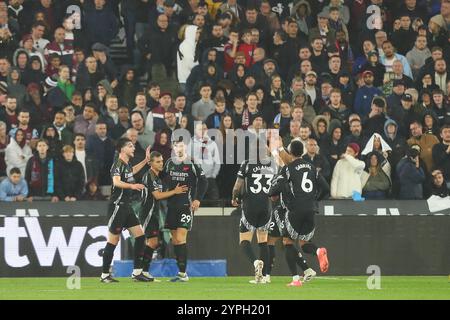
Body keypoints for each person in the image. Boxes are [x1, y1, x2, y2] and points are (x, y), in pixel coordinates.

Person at [268, 140, 329, 286]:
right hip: (311, 209)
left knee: (287, 242)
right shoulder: (312, 168)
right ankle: (318, 251)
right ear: (302, 152)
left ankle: (296, 279)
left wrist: (271, 191)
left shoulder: (288, 168)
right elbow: (326, 188)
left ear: (290, 152)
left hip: (295, 209)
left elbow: (275, 190)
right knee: (304, 243)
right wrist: (314, 200)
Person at [100, 138, 151, 283]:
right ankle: (104, 275)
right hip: (117, 206)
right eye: (130, 146)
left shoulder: (127, 165)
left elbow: (131, 172)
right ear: (122, 149)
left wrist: (145, 161)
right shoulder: (117, 164)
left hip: (126, 207)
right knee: (113, 241)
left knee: (140, 237)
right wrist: (132, 186)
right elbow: (116, 181)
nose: (133, 148)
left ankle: (136, 273)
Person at [162, 137, 208, 282]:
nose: (178, 148)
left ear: (185, 147)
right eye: (176, 146)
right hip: (171, 206)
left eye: (181, 145)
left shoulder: (192, 163)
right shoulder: (169, 163)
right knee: (175, 240)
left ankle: (183, 274)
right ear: (173, 148)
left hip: (185, 206)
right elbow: (162, 178)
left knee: (181, 238)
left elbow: (204, 181)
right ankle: (181, 273)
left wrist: (197, 199)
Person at [140, 151, 189, 281]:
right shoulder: (149, 176)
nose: (161, 163)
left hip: (154, 212)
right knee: (152, 242)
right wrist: (175, 191)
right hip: (147, 213)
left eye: (162, 161)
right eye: (158, 161)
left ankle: (142, 271)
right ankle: (142, 271)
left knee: (154, 242)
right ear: (150, 163)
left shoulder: (157, 176)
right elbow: (157, 196)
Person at [232, 148, 276, 284]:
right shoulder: (272, 165)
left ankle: (256, 263)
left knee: (244, 240)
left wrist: (234, 198)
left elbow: (237, 186)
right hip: (266, 206)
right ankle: (263, 276)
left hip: (250, 205)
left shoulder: (247, 163)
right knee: (263, 241)